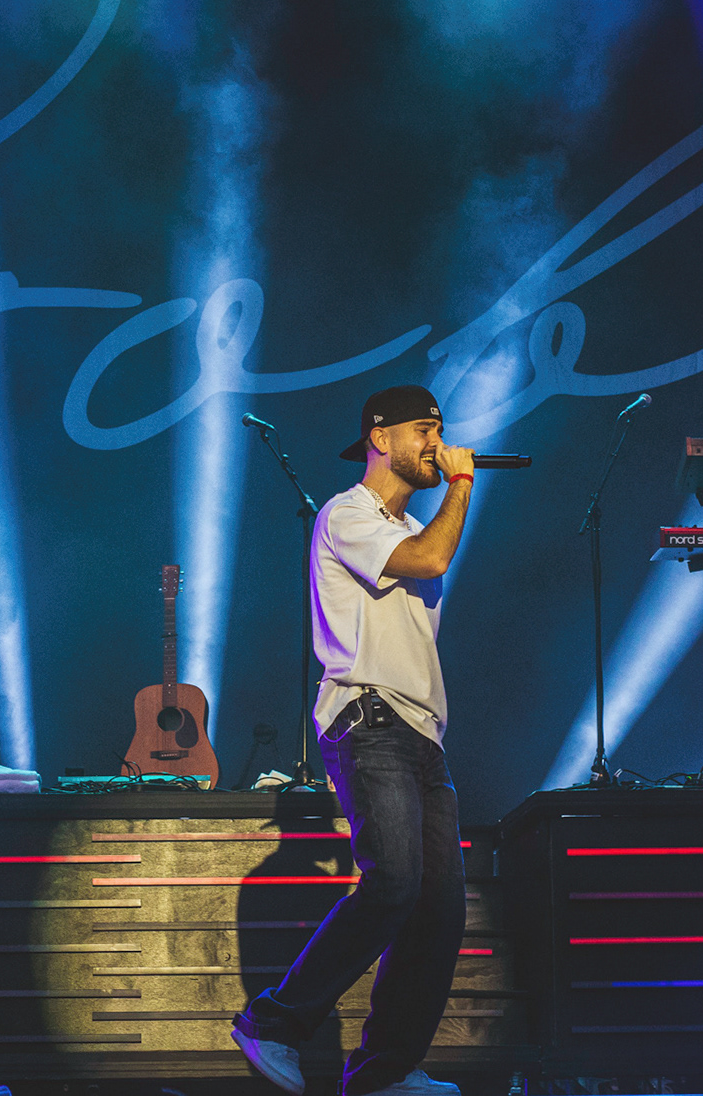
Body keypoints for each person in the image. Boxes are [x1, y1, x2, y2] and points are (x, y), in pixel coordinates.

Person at [231, 385, 474, 1096]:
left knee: (439, 910)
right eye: (424, 429)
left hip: (422, 731)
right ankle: (273, 1021)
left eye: (440, 430)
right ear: (380, 437)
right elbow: (430, 560)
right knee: (394, 881)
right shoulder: (347, 512)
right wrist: (462, 483)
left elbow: (427, 556)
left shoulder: (414, 523)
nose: (436, 443)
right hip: (369, 720)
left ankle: (384, 1072)